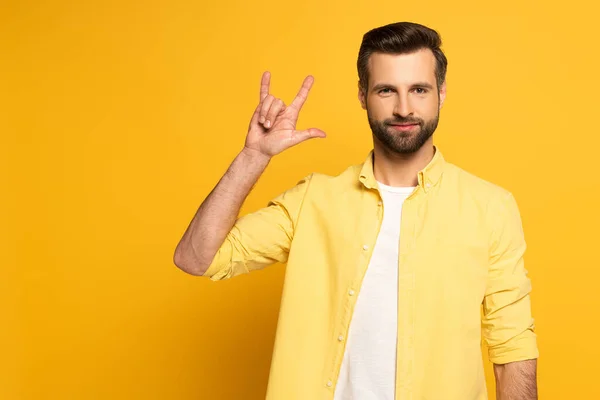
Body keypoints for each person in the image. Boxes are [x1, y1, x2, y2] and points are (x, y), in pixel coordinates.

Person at [174, 21, 539, 400]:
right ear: (363, 96)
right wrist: (253, 156)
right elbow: (197, 257)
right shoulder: (314, 199)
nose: (404, 108)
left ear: (441, 94)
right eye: (386, 90)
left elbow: (512, 346)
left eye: (418, 89)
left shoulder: (490, 208)